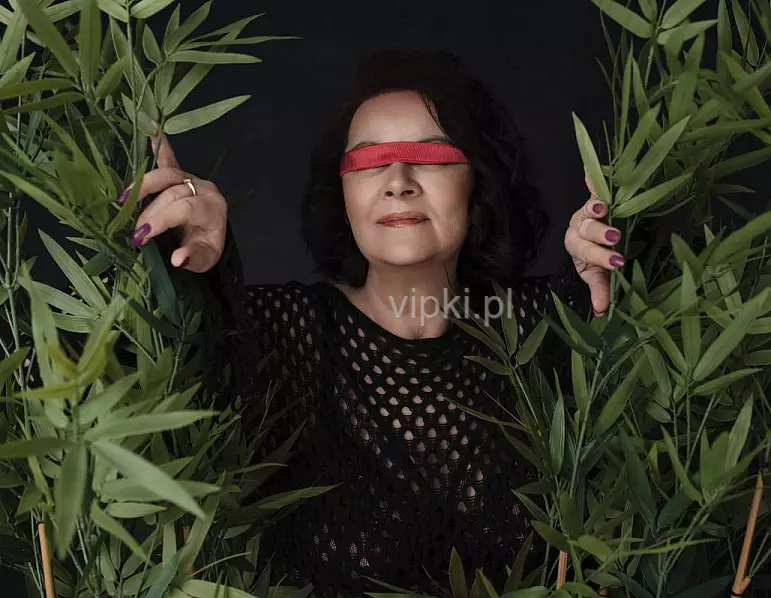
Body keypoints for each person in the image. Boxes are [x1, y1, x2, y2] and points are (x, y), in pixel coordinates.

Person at [127, 49, 624, 597]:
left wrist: (616, 247)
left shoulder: (546, 325)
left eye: (430, 155)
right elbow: (158, 376)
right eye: (368, 161)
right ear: (342, 195)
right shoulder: (282, 334)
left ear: (478, 180)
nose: (398, 181)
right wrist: (179, 273)